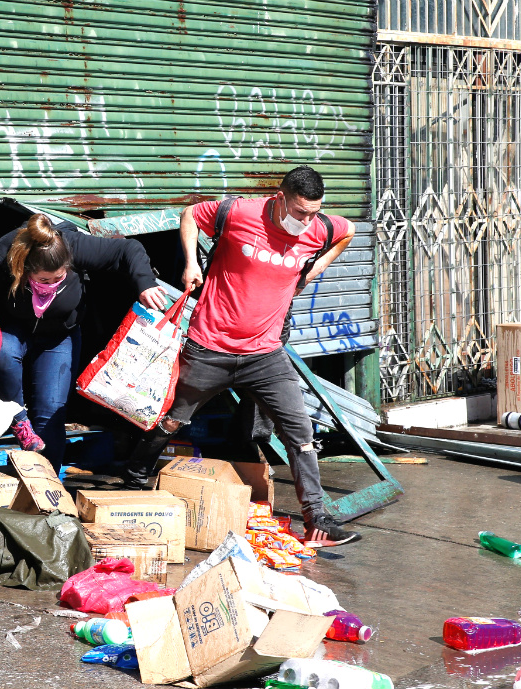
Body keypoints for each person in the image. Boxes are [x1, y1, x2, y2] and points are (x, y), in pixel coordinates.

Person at [122, 165, 362, 547]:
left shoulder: (320, 227)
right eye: (301, 212)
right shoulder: (238, 212)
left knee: (299, 433)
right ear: (280, 198)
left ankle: (317, 516)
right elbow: (190, 214)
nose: (308, 222)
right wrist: (190, 263)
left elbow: (346, 230)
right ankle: (133, 481)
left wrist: (314, 269)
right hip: (209, 347)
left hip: (265, 355)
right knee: (171, 421)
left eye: (315, 213)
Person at [0, 213, 167, 471]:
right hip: (14, 329)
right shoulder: (7, 258)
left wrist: (145, 283)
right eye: (43, 280)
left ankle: (47, 486)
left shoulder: (74, 247)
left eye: (59, 278)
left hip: (59, 334)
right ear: (25, 268)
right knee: (2, 350)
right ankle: (17, 417)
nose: (51, 285)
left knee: (50, 414)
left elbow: (128, 248)